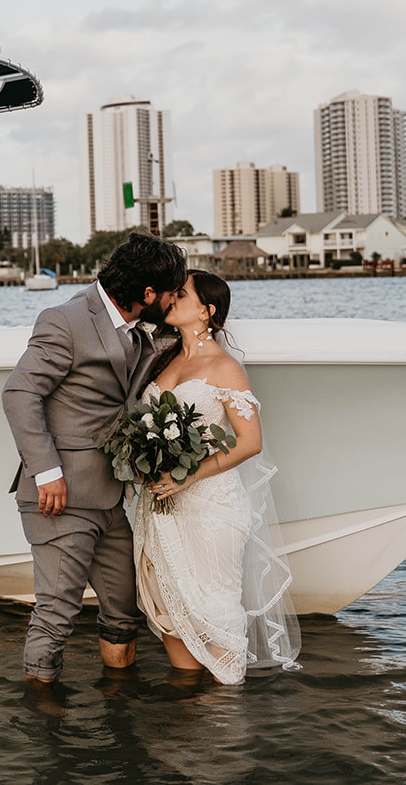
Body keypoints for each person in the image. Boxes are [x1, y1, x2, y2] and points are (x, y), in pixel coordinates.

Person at [2, 230, 188, 684]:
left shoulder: (139, 329)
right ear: (147, 294)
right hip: (59, 498)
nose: (173, 300)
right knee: (56, 615)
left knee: (124, 614)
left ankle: (118, 715)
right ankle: (43, 734)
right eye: (171, 293)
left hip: (111, 500)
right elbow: (19, 393)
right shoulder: (64, 320)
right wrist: (47, 473)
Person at [134, 269, 300, 682]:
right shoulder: (165, 358)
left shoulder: (224, 367)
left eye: (183, 293)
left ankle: (226, 721)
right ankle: (192, 713)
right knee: (168, 610)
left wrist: (186, 478)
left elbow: (249, 441)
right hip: (161, 503)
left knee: (214, 613)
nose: (172, 298)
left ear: (207, 311)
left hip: (210, 507)